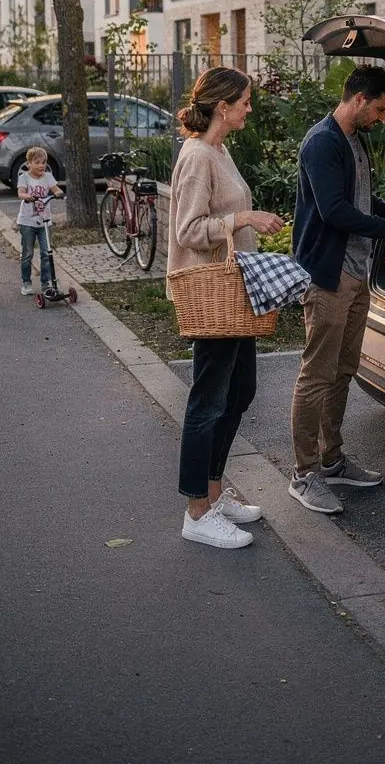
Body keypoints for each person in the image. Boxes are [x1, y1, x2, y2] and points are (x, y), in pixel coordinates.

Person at [289, 65, 385, 514]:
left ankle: (332, 461)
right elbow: (334, 211)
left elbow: (362, 202)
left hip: (355, 275)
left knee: (344, 368)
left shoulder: (354, 142)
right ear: (358, 99)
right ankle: (304, 474)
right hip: (327, 277)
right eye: (380, 109)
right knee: (316, 375)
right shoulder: (322, 142)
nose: (382, 118)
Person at [168, 67, 284, 550]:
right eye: (245, 101)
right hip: (211, 293)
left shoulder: (219, 149)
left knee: (239, 393)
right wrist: (243, 219)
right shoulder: (197, 156)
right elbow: (188, 231)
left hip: (237, 293)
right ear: (223, 106)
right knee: (207, 401)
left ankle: (214, 493)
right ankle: (196, 511)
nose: (249, 109)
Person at [16, 146, 64, 297]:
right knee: (28, 253)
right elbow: (20, 193)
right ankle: (26, 282)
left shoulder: (48, 177)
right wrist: (27, 196)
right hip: (27, 221)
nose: (41, 165)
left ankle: (45, 283)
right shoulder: (24, 177)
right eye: (37, 162)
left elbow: (55, 188)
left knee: (46, 252)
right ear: (29, 163)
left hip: (44, 220)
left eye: (43, 162)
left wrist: (58, 192)